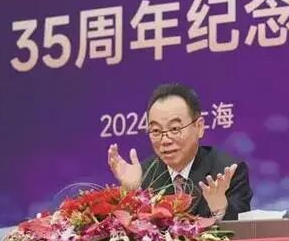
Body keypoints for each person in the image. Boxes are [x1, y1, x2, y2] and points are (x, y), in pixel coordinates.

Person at [108, 83, 252, 220]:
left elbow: (245, 231)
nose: (165, 140)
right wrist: (132, 192)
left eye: (175, 129)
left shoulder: (227, 172)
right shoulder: (143, 175)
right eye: (156, 130)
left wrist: (220, 209)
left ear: (199, 127)